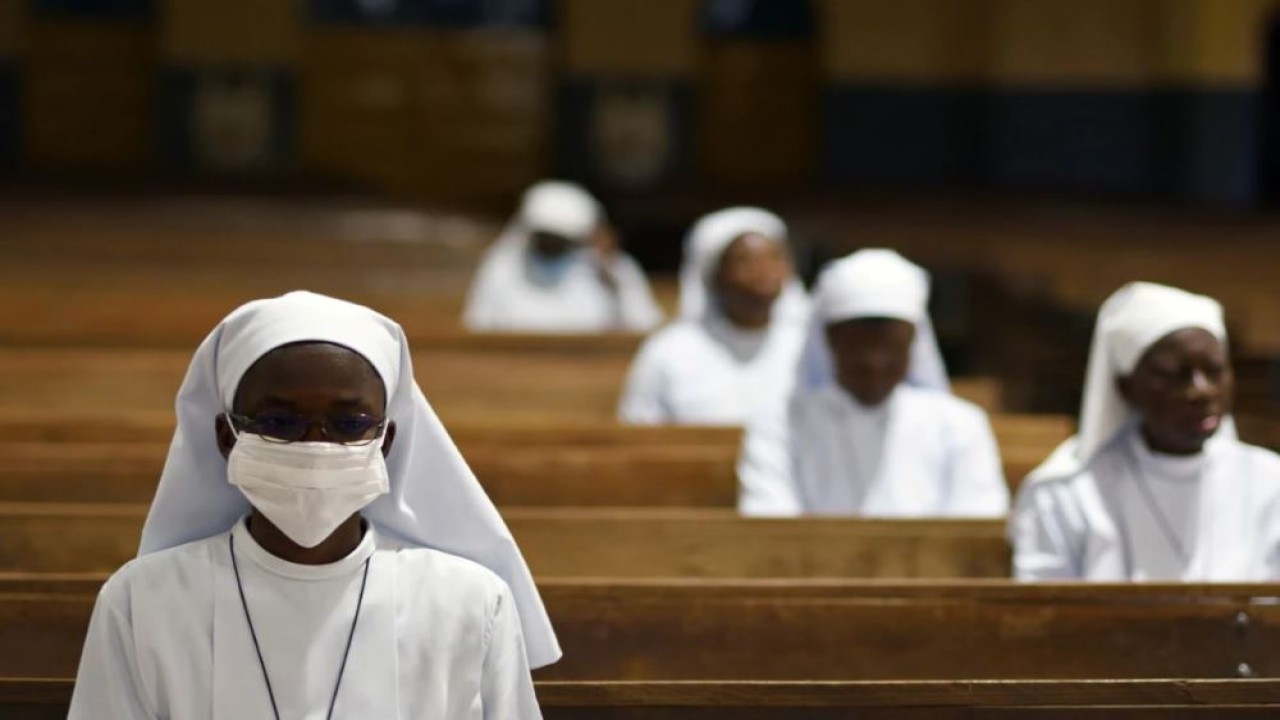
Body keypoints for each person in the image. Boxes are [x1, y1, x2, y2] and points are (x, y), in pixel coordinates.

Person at [69, 291, 555, 719]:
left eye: (349, 425)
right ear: (227, 436)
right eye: (279, 422)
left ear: (384, 440)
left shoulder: (470, 602)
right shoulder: (142, 601)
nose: (315, 446)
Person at [1010, 282, 1280, 581]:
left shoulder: (1270, 481)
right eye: (1177, 375)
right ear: (1126, 388)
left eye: (1214, 370)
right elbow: (1042, 603)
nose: (1202, 391)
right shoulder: (1066, 490)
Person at [737, 249, 1008, 517]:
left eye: (891, 352)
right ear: (831, 342)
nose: (875, 365)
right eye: (861, 352)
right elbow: (769, 519)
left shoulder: (960, 424)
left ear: (912, 344)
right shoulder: (779, 423)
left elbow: (979, 519)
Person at [617, 207, 808, 425]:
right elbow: (640, 427)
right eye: (744, 260)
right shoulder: (670, 350)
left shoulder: (808, 344)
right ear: (714, 275)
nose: (763, 271)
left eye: (773, 258)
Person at [463, 180, 663, 332]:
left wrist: (614, 279)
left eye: (560, 238)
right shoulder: (502, 266)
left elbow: (645, 325)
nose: (552, 243)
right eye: (545, 236)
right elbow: (477, 325)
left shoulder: (609, 267)